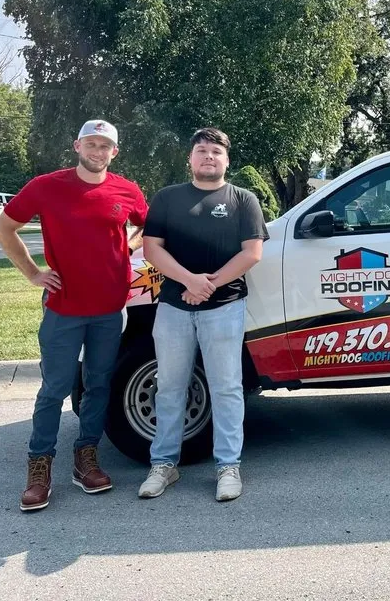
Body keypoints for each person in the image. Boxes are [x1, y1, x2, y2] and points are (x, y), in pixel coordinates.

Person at [0, 120, 148, 512]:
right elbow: (4, 228)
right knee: (54, 389)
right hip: (63, 308)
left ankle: (86, 458)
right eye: (91, 144)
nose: (98, 152)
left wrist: (123, 246)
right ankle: (39, 465)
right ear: (77, 145)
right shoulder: (46, 187)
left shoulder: (127, 190)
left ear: (115, 152)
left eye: (106, 146)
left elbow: (146, 229)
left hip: (110, 310)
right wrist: (33, 273)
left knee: (98, 385)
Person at [138, 127, 267, 502]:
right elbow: (152, 249)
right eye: (201, 150)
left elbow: (251, 253)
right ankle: (163, 465)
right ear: (190, 159)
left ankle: (228, 467)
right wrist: (189, 281)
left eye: (215, 151)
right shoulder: (167, 198)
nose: (208, 156)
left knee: (226, 388)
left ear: (227, 160)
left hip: (225, 307)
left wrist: (207, 285)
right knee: (170, 387)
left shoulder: (244, 200)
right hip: (174, 307)